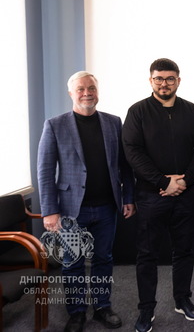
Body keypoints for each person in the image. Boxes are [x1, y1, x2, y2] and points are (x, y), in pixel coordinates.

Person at [37, 71, 135, 332]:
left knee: (104, 259)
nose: (87, 93)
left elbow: (125, 165)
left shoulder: (114, 122)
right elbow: (45, 171)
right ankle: (77, 312)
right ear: (71, 93)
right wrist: (49, 211)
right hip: (70, 210)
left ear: (97, 91)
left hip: (106, 207)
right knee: (73, 263)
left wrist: (128, 197)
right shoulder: (55, 125)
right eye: (81, 89)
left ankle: (102, 307)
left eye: (91, 88)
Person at [122, 58, 194, 332]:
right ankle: (146, 309)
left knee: (184, 250)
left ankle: (182, 300)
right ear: (151, 81)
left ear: (178, 81)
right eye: (158, 78)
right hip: (151, 195)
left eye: (170, 78)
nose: (164, 84)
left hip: (185, 193)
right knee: (147, 254)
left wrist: (184, 180)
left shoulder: (191, 111)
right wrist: (162, 182)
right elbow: (132, 152)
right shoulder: (137, 111)